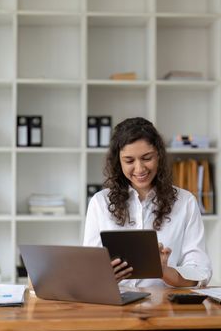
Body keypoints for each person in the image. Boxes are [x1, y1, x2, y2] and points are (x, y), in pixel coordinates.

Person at [83, 117, 212, 288]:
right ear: (118, 162)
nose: (139, 169)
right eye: (129, 161)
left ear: (158, 155)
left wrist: (164, 271)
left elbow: (200, 273)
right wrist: (104, 276)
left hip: (167, 307)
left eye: (146, 158)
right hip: (117, 306)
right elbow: (90, 272)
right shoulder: (100, 202)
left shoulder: (185, 202)